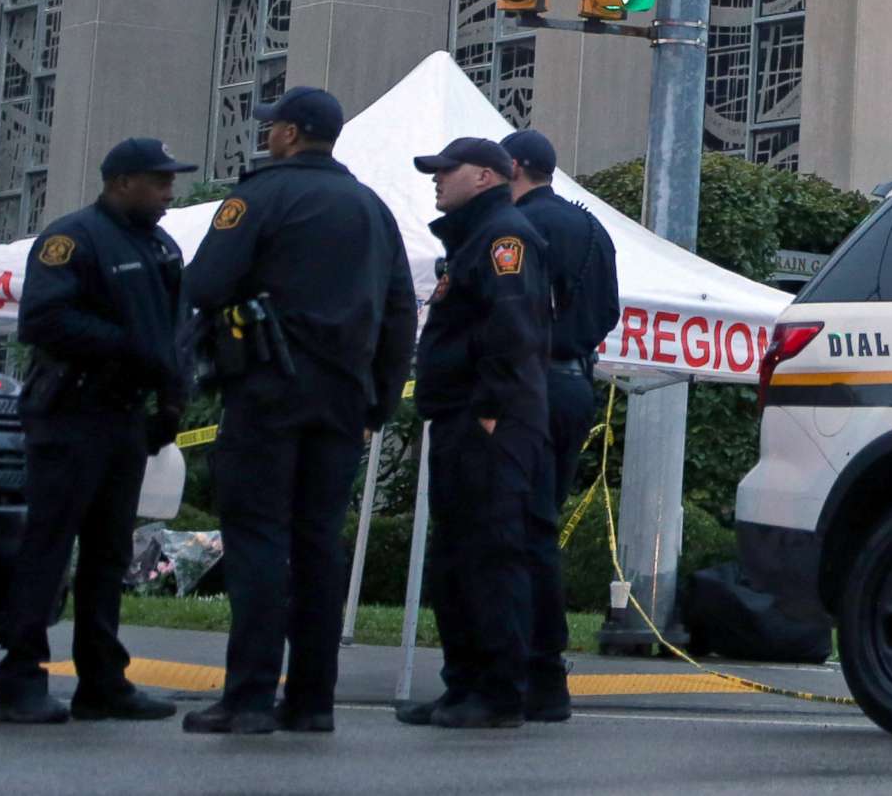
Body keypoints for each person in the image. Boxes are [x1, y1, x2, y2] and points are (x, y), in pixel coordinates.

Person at [179, 88, 417, 736]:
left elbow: (202, 286)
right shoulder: (373, 209)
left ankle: (249, 696)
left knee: (258, 539)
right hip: (342, 399)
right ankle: (312, 701)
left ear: (288, 134)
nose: (267, 137)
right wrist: (379, 399)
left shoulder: (258, 197)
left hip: (266, 391)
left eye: (271, 127)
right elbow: (401, 314)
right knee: (318, 545)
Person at [0, 139, 195, 725]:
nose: (167, 193)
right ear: (122, 182)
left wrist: (171, 404)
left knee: (109, 555)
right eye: (158, 182)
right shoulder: (72, 238)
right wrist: (128, 345)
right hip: (71, 414)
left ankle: (102, 679)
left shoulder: (160, 247)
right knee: (48, 548)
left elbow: (176, 337)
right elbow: (43, 320)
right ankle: (21, 678)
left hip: (126, 418)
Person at [397, 137, 550, 731]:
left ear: (486, 177)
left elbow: (513, 328)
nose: (436, 180)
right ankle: (463, 685)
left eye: (446, 170)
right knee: (457, 558)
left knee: (491, 555)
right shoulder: (474, 240)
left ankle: (499, 690)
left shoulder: (503, 238)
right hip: (463, 417)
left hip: (490, 422)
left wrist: (488, 409)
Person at [499, 128, 618, 723]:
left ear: (515, 167)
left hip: (528, 383)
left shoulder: (516, 230)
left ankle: (527, 666)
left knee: (511, 530)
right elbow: (611, 310)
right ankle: (544, 671)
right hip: (574, 382)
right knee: (540, 527)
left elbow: (508, 308)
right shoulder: (594, 227)